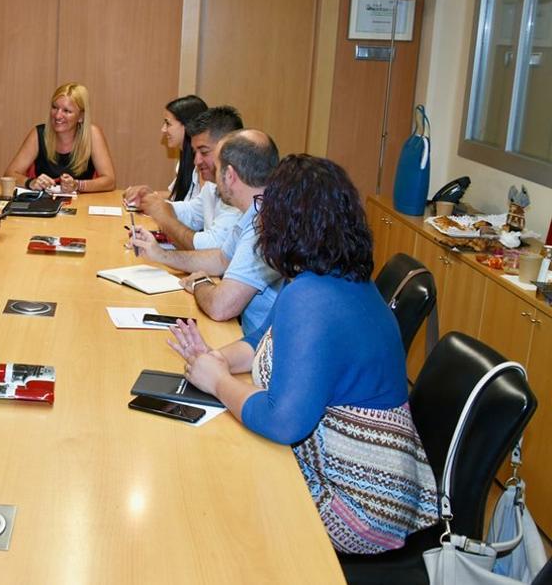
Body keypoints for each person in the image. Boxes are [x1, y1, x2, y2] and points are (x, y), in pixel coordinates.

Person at [166, 154, 439, 555]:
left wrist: (219, 382)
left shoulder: (310, 297)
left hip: (358, 510)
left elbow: (283, 422)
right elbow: (261, 340)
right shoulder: (337, 281)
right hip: (390, 494)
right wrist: (216, 360)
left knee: (211, 504)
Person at [131, 130, 281, 335]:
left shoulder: (264, 224)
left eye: (217, 168)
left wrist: (200, 282)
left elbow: (221, 307)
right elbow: (220, 259)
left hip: (259, 351)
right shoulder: (255, 210)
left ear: (229, 176)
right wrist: (159, 254)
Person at [126, 105, 242, 250]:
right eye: (196, 153)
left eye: (204, 152)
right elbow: (191, 212)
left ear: (226, 149)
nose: (196, 161)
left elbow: (210, 248)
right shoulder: (212, 185)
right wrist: (153, 201)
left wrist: (164, 217)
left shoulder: (240, 194)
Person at [3, 82, 116, 193]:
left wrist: (78, 185)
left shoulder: (92, 134)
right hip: (44, 205)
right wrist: (31, 182)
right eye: (55, 107)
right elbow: (10, 174)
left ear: (81, 117)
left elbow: (110, 181)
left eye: (66, 111)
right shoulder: (38, 133)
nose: (57, 115)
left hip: (82, 204)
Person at [122, 95, 208, 204]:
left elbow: (196, 210)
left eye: (168, 123)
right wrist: (147, 194)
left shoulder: (204, 166)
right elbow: (176, 196)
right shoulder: (185, 158)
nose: (163, 129)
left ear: (187, 125)